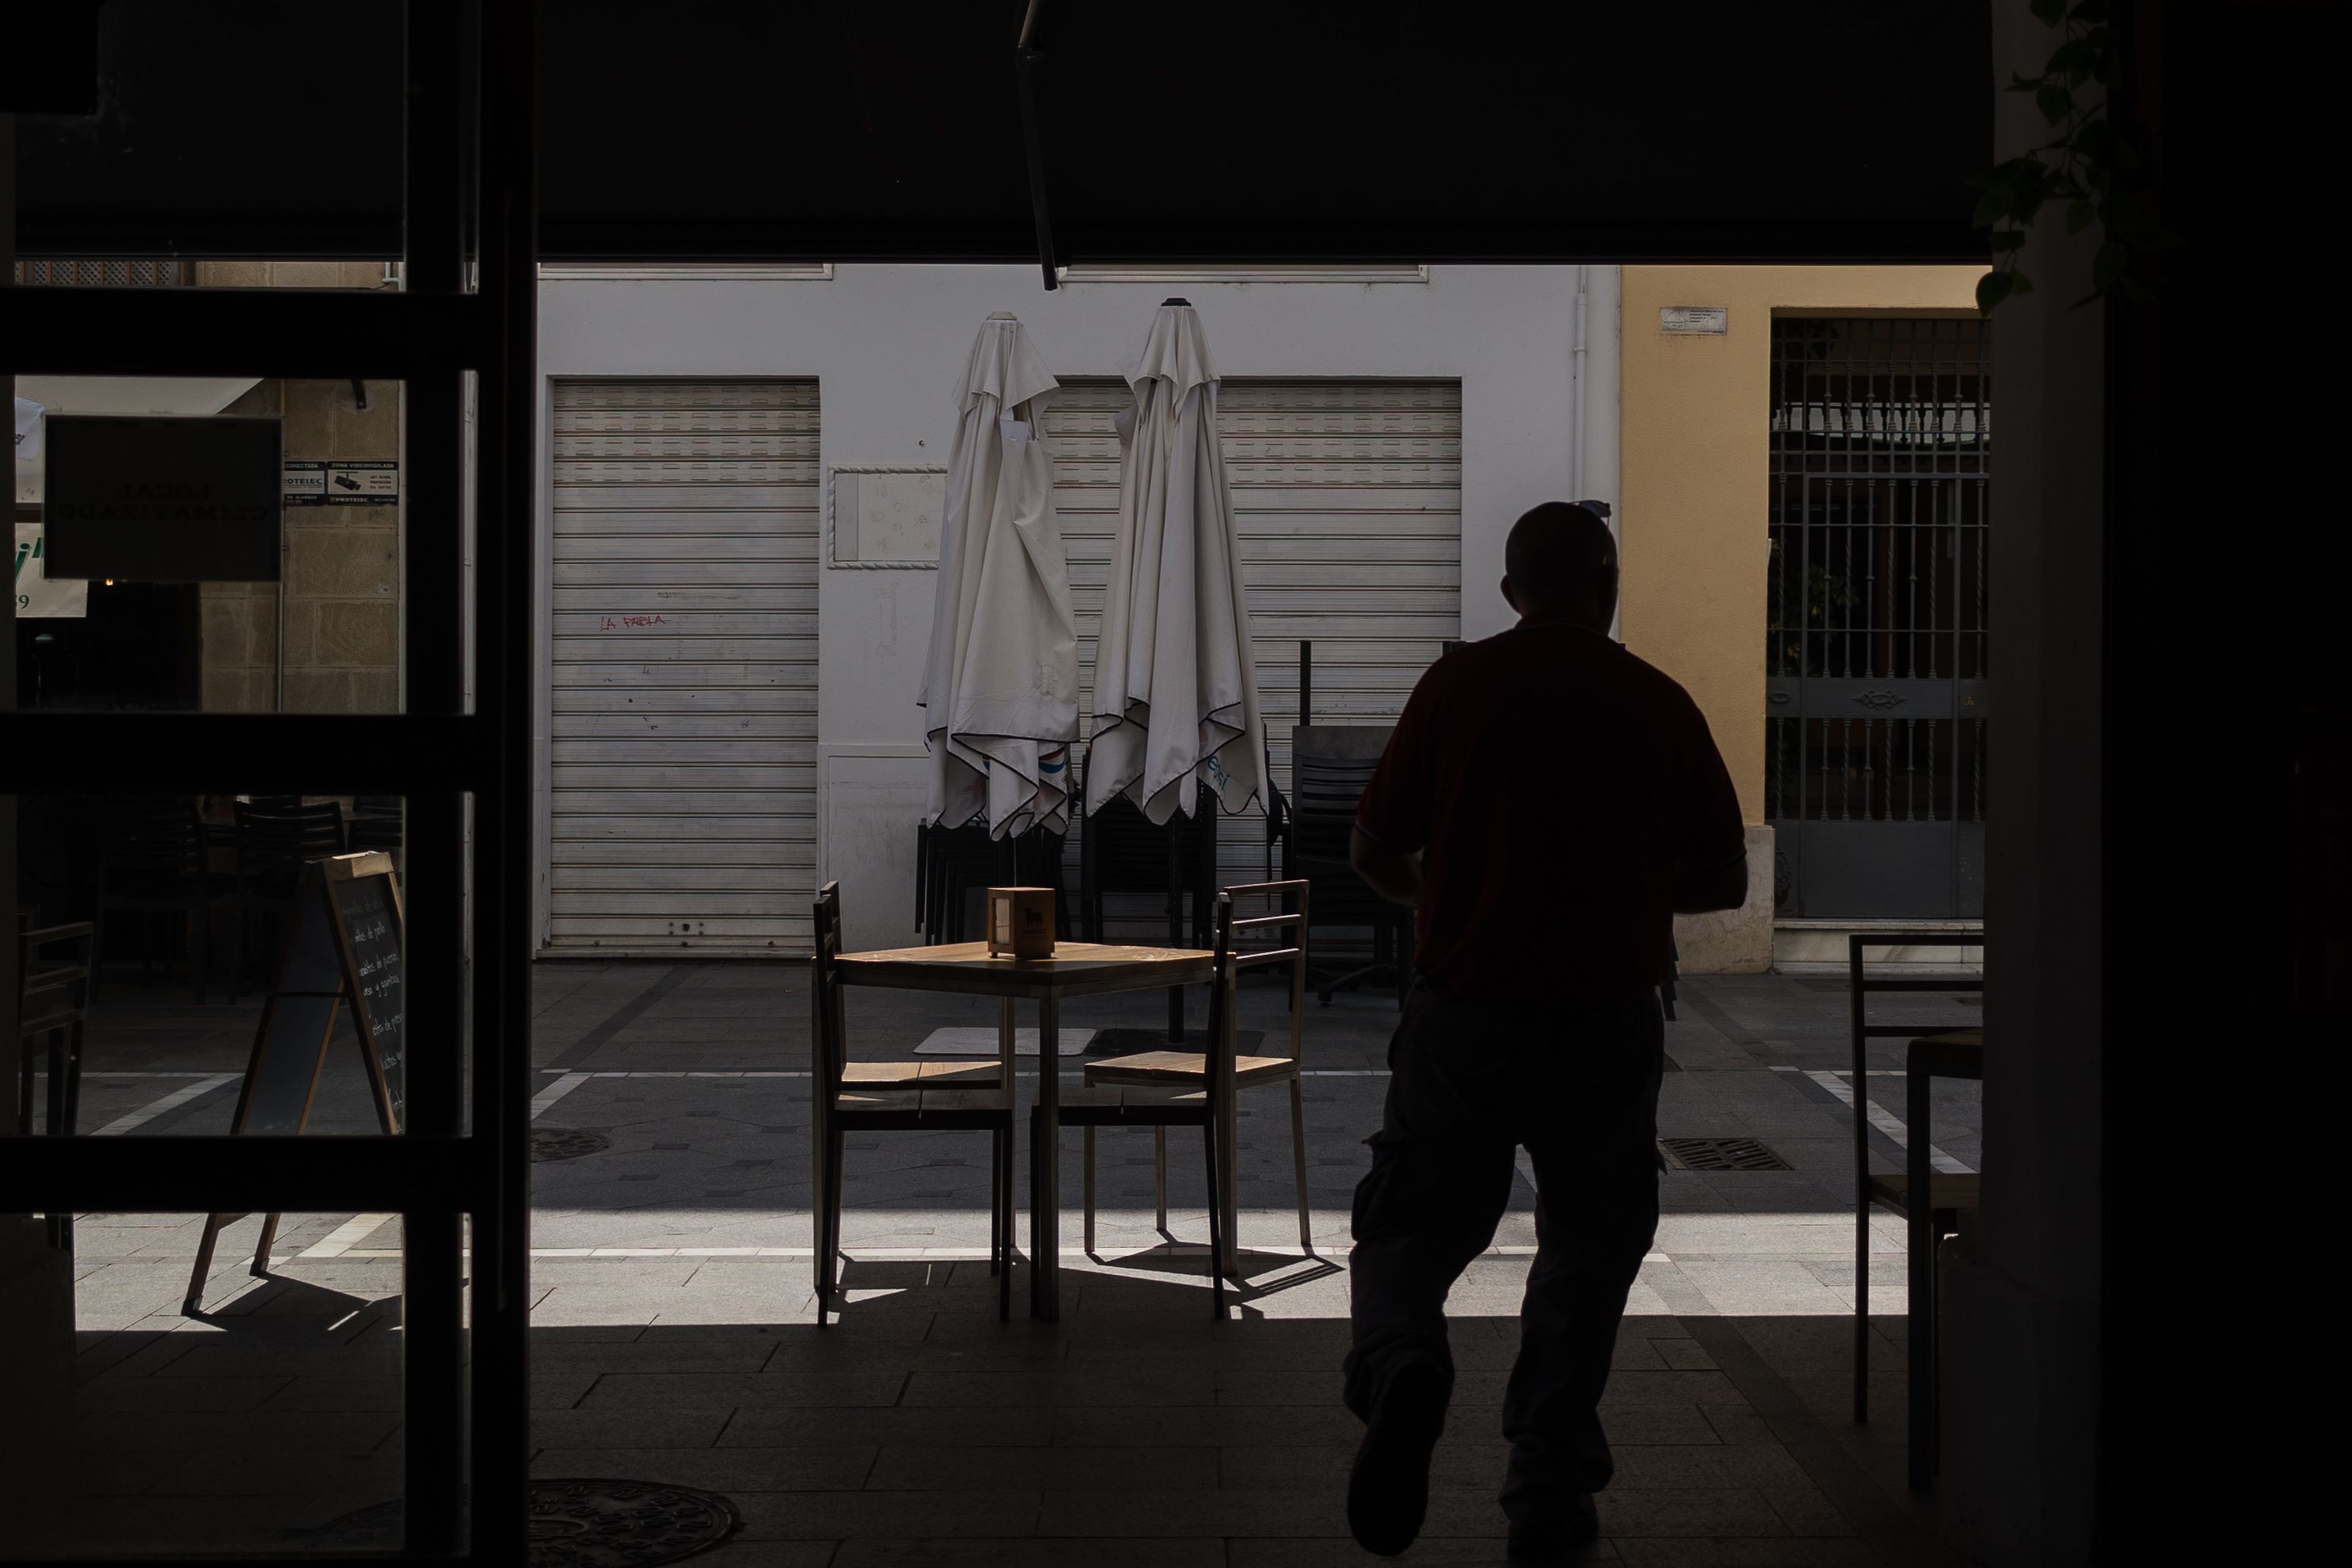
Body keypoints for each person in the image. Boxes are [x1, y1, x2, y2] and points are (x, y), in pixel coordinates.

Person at [1342, 500, 1748, 1558]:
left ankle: (1403, 1362)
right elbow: (1723, 879)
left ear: (1510, 591)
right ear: (1607, 588)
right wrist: (1627, 885)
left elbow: (1373, 848)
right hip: (1605, 1022)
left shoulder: (1455, 688)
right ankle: (1546, 1484)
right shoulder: (1657, 701)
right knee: (1589, 1245)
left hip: (1464, 1015)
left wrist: (1438, 895)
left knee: (1408, 1224)